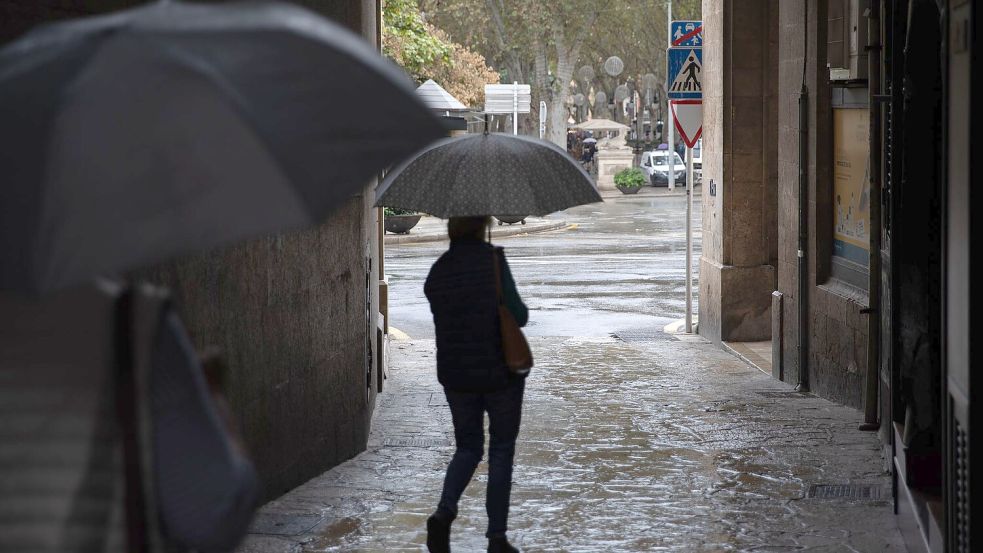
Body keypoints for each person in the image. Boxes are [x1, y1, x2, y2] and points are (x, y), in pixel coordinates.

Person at [423, 217, 529, 553]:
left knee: (467, 448)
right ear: (482, 225)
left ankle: (444, 513)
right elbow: (519, 315)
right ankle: (496, 537)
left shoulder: (439, 270)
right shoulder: (493, 262)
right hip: (500, 375)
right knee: (501, 450)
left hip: (456, 376)